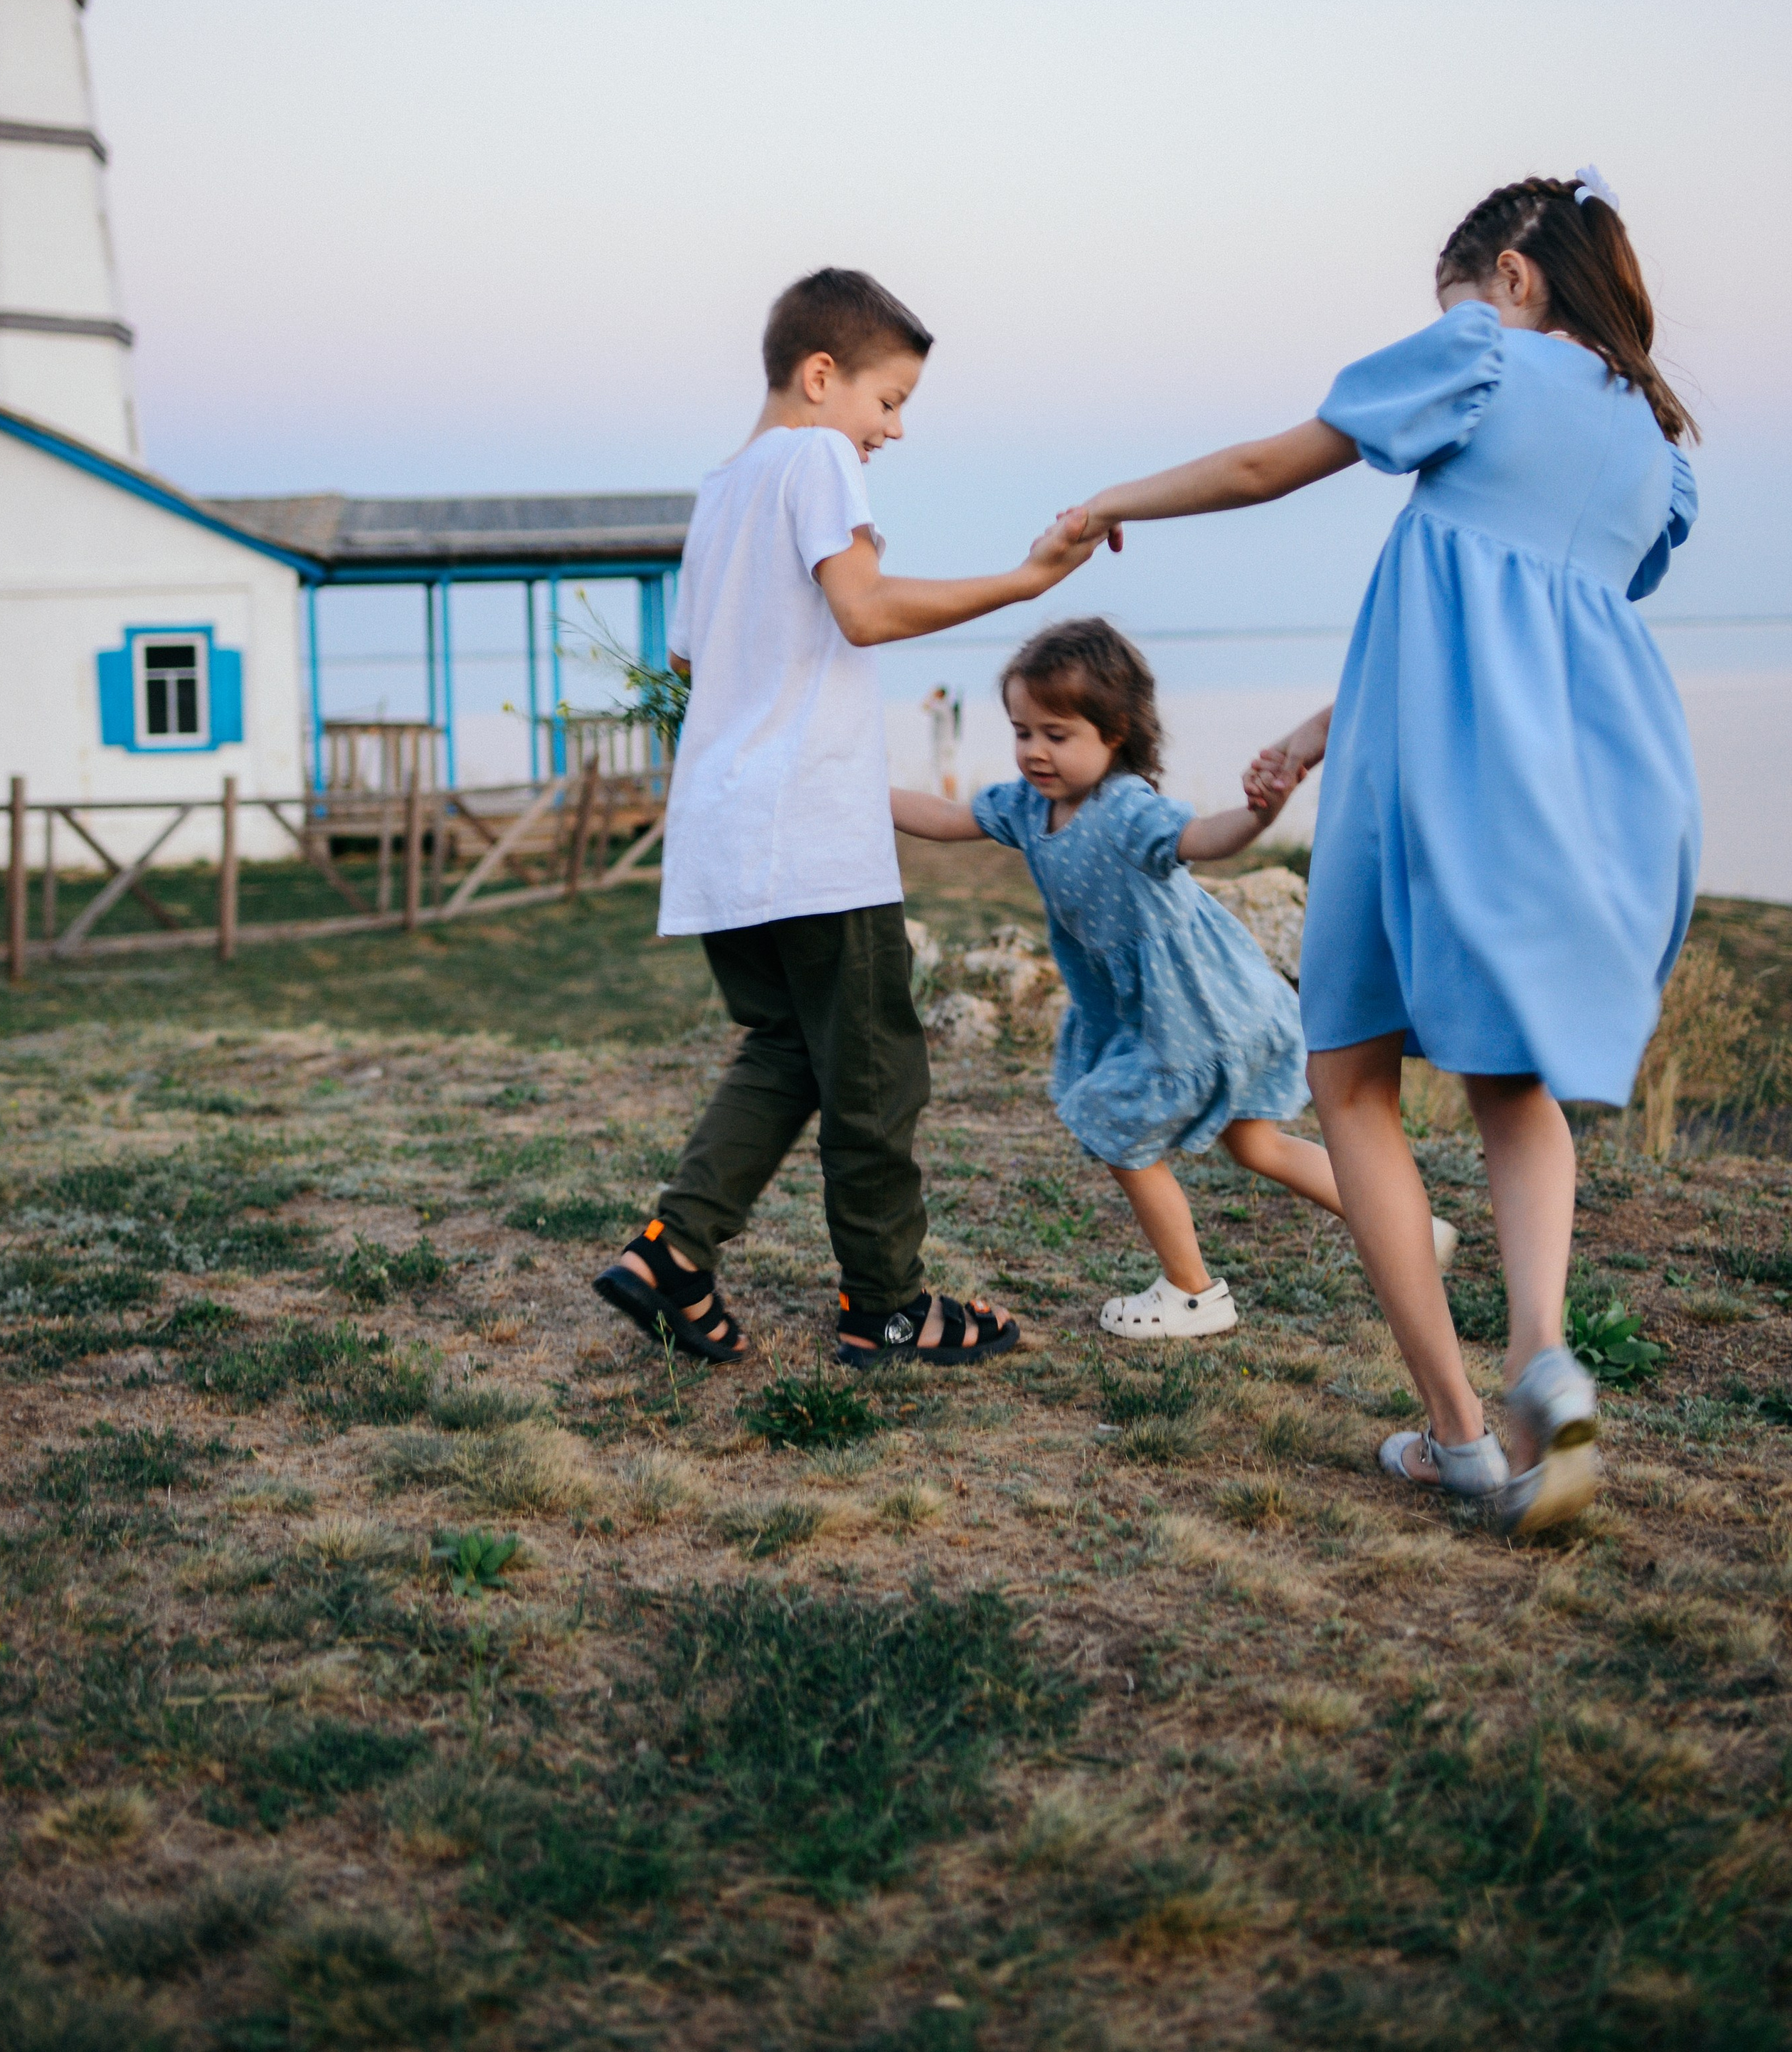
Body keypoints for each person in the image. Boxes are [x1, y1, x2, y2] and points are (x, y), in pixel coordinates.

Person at [1078, 171, 1700, 1533]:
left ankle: (1459, 1435)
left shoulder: (1486, 353)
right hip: (1593, 784)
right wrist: (1309, 728)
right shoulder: (1656, 445)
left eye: (1463, 298)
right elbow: (1514, 616)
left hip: (1430, 776)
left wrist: (1109, 502)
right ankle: (1545, 1359)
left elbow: (1268, 467)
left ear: (1515, 276)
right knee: (1510, 1080)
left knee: (1352, 1078)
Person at [595, 266, 1101, 1371]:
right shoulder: (816, 454)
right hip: (810, 833)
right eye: (889, 400)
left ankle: (669, 1254)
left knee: (788, 1044)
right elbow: (863, 609)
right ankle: (887, 1302)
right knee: (876, 1069)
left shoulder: (723, 487)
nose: (896, 427)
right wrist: (1022, 582)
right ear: (822, 377)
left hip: (723, 828)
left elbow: (687, 656)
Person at [891, 618, 1456, 1336]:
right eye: (1021, 730)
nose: (1035, 751)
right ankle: (1411, 1228)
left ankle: (1192, 1292)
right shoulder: (1027, 807)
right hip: (1190, 1006)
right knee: (1255, 1144)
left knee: (1115, 1127)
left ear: (1115, 733)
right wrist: (858, 794)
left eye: (1056, 735)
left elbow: (1206, 839)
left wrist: (1263, 810)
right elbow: (942, 815)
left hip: (1190, 1009)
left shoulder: (1127, 810)